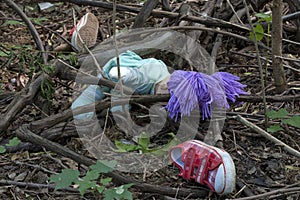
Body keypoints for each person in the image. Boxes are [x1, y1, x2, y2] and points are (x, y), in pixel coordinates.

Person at [70, 13, 247, 195]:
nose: (165, 95)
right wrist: (125, 123)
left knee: (93, 70)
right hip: (109, 72)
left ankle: (85, 43)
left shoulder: (163, 74)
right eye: (167, 92)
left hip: (124, 61)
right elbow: (120, 86)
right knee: (79, 109)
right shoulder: (146, 76)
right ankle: (80, 43)